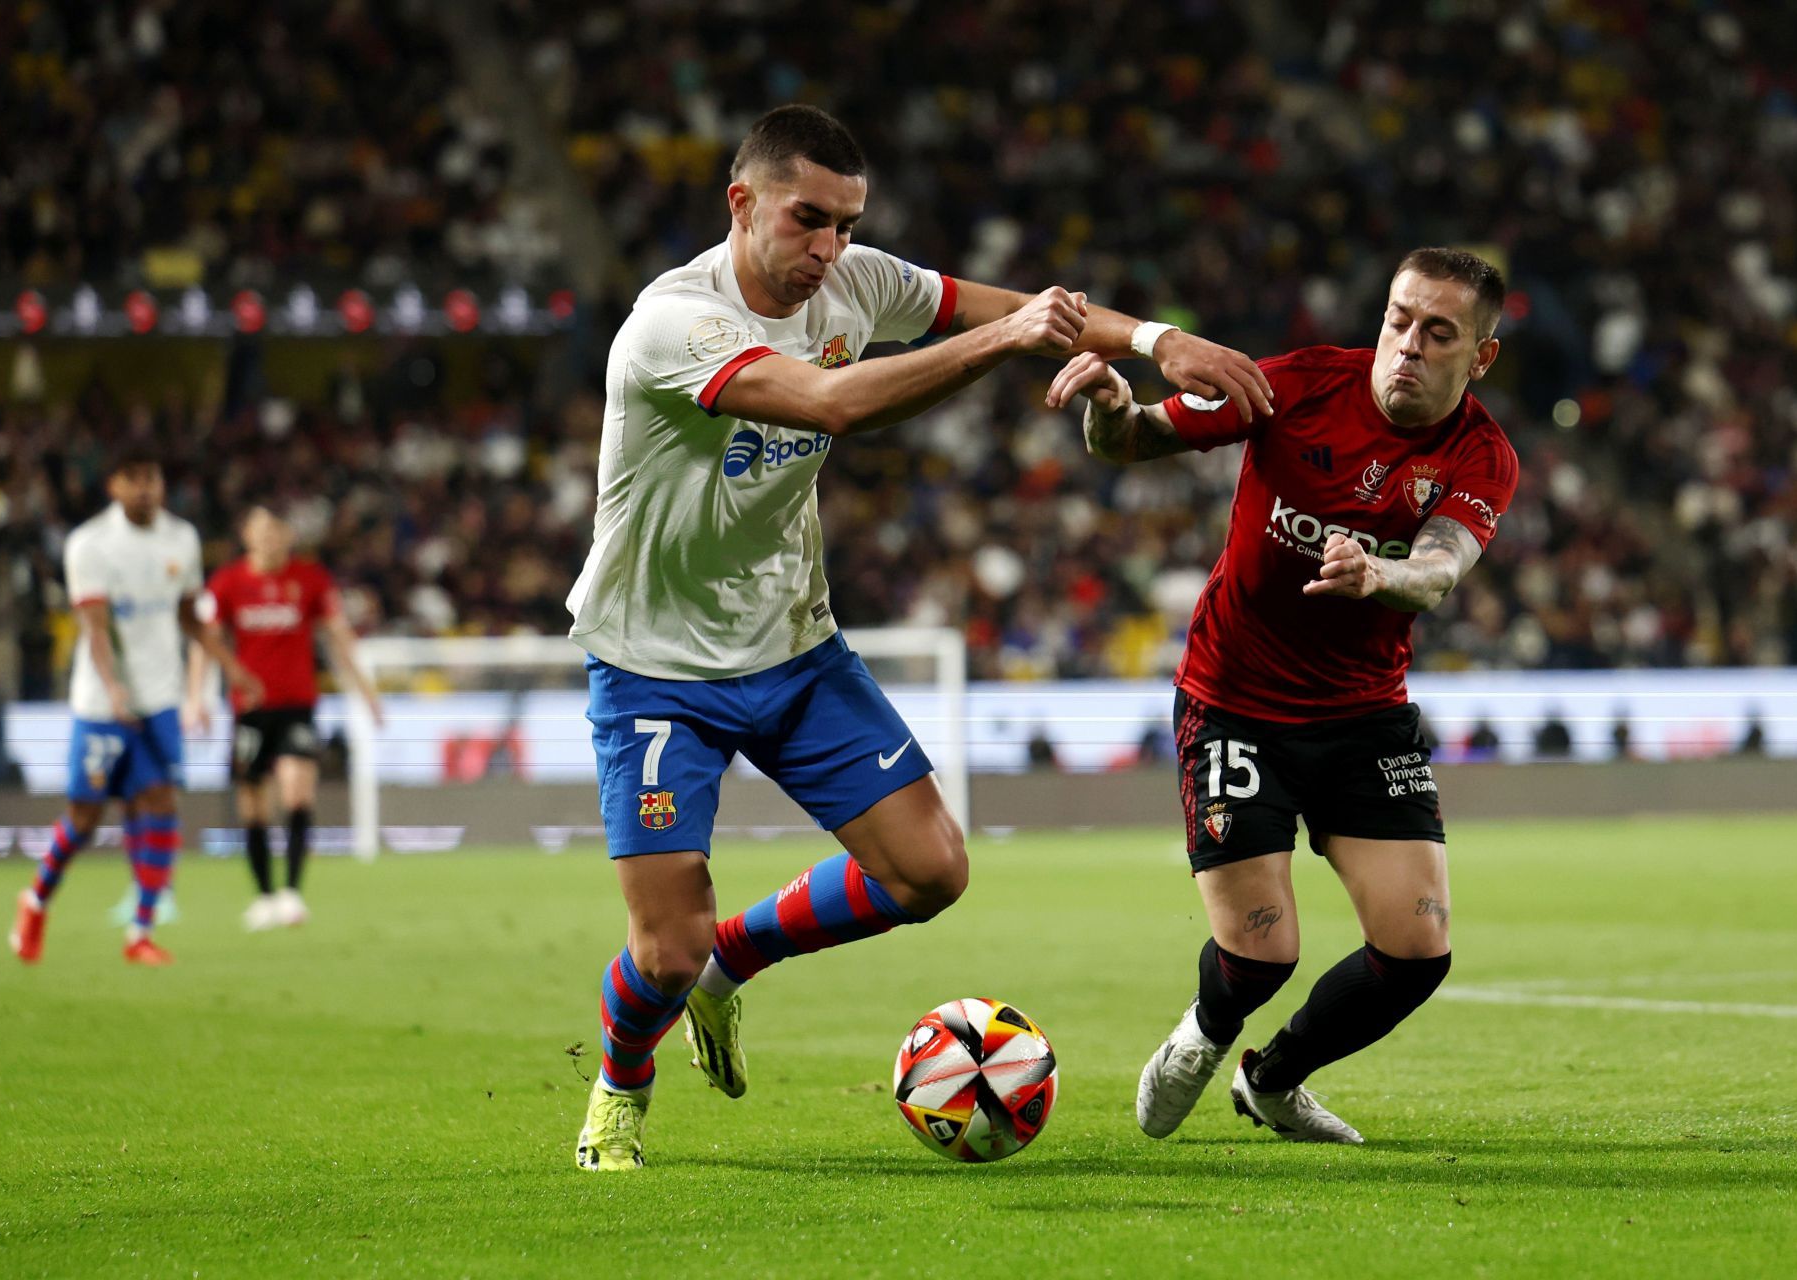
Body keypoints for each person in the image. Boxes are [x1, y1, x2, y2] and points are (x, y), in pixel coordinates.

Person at [566, 103, 1273, 1171]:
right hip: (656, 667)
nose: (830, 249)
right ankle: (622, 1080)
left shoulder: (854, 281)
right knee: (663, 949)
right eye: (808, 220)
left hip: (794, 646)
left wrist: (1160, 341)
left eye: (848, 224)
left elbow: (1032, 307)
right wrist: (1005, 338)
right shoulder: (674, 323)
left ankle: (734, 963)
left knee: (932, 870)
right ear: (741, 201)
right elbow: (832, 402)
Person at [1048, 247, 1519, 1144]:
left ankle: (1272, 1081)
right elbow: (1135, 440)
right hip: (1234, 701)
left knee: (1418, 952)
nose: (1408, 345)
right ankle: (1206, 1032)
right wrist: (1111, 412)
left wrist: (1381, 573)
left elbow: (1439, 571)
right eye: (1398, 319)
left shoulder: (1482, 456)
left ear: (1480, 357)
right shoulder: (1295, 385)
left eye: (1439, 332)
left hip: (1362, 716)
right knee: (1263, 954)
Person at [8, 444, 262, 966]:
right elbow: (95, 627)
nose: (146, 487)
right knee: (84, 817)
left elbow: (190, 616)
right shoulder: (91, 544)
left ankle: (140, 931)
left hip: (161, 698)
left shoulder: (182, 538)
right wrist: (114, 686)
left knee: (161, 802)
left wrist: (228, 665)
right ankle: (35, 903)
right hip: (103, 705)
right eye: (134, 477)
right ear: (114, 486)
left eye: (153, 477)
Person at [185, 503, 383, 930]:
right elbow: (205, 641)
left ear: (287, 538)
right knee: (253, 804)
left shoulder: (309, 579)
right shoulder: (228, 583)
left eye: (277, 532)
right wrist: (195, 696)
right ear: (247, 537)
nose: (270, 540)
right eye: (262, 532)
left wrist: (366, 692)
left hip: (298, 705)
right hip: (250, 711)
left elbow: (338, 637)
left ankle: (292, 892)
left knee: (297, 792)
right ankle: (264, 896)